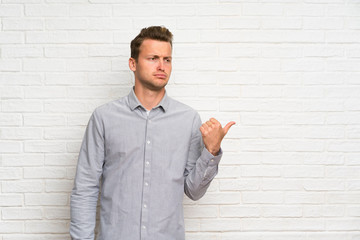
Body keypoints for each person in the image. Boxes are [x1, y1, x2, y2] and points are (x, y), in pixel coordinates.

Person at [70, 26, 235, 240]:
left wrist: (211, 151)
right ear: (133, 64)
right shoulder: (104, 118)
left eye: (167, 59)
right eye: (153, 58)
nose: (161, 66)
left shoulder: (188, 119)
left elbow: (194, 191)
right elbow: (85, 188)